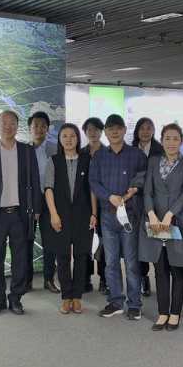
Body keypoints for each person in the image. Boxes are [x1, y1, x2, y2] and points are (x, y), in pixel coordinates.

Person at [0, 110, 42, 316]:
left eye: (12, 123)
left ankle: (16, 298)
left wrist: (37, 209)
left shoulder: (26, 151)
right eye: (4, 123)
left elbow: (35, 180)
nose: (8, 126)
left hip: (20, 214)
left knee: (20, 258)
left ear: (17, 126)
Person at [138, 124, 183, 331]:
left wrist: (170, 214)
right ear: (161, 140)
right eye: (167, 138)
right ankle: (163, 312)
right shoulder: (154, 161)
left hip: (178, 221)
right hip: (155, 221)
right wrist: (151, 214)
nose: (171, 142)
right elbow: (147, 191)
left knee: (177, 268)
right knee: (160, 268)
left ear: (181, 140)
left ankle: (175, 313)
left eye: (175, 138)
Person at [89, 114, 148, 320]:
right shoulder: (99, 156)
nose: (114, 132)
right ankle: (115, 301)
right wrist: (109, 197)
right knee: (111, 261)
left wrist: (133, 189)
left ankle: (135, 304)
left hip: (129, 215)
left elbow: (143, 176)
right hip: (107, 215)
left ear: (124, 130)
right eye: (110, 128)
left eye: (118, 128)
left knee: (131, 262)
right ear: (105, 132)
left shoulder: (136, 154)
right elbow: (94, 182)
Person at [43, 124, 98, 314]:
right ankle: (66, 296)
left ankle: (77, 297)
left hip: (83, 216)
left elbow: (92, 189)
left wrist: (94, 213)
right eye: (64, 136)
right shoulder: (53, 161)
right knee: (63, 256)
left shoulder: (87, 159)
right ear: (59, 139)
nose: (68, 139)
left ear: (78, 138)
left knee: (82, 256)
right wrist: (53, 214)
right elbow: (48, 189)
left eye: (72, 136)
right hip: (61, 215)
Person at [27, 111, 60, 293]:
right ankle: (27, 280)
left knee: (50, 243)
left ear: (48, 129)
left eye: (43, 126)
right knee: (27, 241)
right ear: (30, 128)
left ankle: (49, 279)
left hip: (50, 200)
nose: (39, 129)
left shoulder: (55, 148)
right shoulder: (24, 150)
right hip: (29, 202)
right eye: (35, 126)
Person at [133, 117, 164, 296]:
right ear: (137, 130)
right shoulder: (130, 149)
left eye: (149, 128)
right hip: (135, 201)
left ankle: (159, 278)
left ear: (153, 130)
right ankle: (143, 278)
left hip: (155, 201)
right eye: (142, 128)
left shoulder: (160, 150)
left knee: (155, 240)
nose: (145, 131)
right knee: (139, 243)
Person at [82, 117, 106, 294]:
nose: (93, 132)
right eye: (89, 129)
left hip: (105, 203)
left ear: (101, 131)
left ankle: (104, 279)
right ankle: (86, 278)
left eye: (96, 129)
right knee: (86, 241)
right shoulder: (81, 153)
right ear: (85, 132)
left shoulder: (108, 152)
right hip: (84, 204)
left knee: (104, 243)